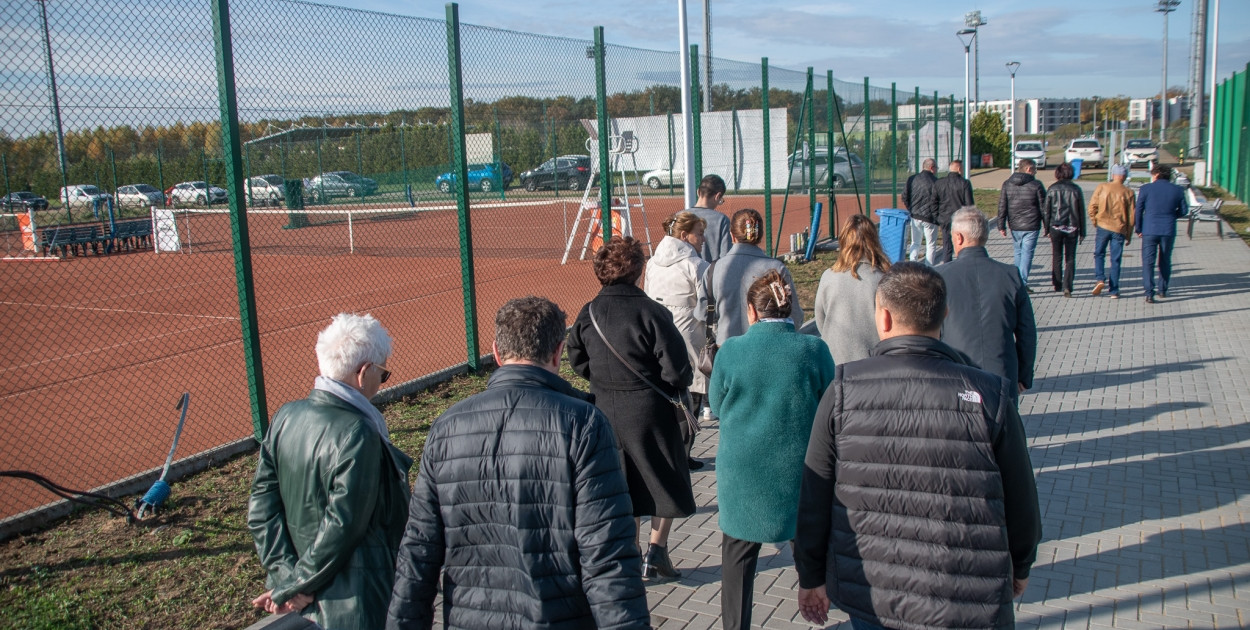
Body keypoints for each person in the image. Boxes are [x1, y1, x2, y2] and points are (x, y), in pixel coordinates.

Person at [794, 262, 1043, 630]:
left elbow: (814, 496)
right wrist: (1020, 564)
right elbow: (1021, 498)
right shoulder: (991, 394)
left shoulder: (844, 391)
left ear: (884, 317)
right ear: (944, 315)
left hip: (873, 593)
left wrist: (811, 575)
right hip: (965, 595)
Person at [386, 297, 649, 629]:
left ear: (496, 353)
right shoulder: (584, 424)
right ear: (558, 352)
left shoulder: (447, 427)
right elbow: (606, 555)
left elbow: (419, 551)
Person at [249, 313, 412, 630]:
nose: (382, 379)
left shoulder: (284, 418)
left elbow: (262, 507)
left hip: (314, 592)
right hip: (357, 597)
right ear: (363, 373)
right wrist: (297, 584)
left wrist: (287, 576)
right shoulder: (360, 432)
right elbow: (343, 524)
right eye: (383, 372)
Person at [710, 270, 836, 630]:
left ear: (751, 311)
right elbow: (829, 404)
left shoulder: (731, 351)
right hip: (799, 471)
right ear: (791, 308)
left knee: (737, 554)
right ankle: (818, 599)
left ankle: (736, 625)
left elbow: (717, 406)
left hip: (742, 472)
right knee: (807, 544)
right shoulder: (814, 349)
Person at [567, 236, 696, 580]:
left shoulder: (588, 312)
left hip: (604, 408)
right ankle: (656, 553)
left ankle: (630, 550)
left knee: (621, 480)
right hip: (649, 409)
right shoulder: (653, 312)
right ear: (639, 271)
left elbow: (577, 359)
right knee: (663, 475)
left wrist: (602, 380)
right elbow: (678, 370)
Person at [939, 207, 1037, 401]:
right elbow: (1027, 333)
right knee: (1004, 429)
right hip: (1002, 375)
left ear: (958, 237)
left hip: (955, 378)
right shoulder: (1011, 275)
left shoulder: (940, 277)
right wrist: (1023, 376)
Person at [645, 211, 710, 470]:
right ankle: (683, 452)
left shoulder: (652, 262)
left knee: (664, 389)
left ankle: (665, 451)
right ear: (684, 236)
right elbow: (707, 305)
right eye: (700, 233)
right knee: (692, 388)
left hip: (658, 330)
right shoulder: (695, 266)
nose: (704, 239)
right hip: (689, 333)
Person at [707, 208, 803, 345]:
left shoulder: (713, 269)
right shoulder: (777, 269)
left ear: (732, 235)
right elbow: (795, 316)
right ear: (760, 235)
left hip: (726, 349)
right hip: (767, 347)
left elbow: (705, 316)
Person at [813, 214, 891, 364]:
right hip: (873, 364)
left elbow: (820, 319)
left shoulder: (829, 276)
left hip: (834, 363)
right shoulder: (884, 279)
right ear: (874, 240)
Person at [1135, 163, 1187, 303]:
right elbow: (1183, 211)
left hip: (1149, 229)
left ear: (1156, 175)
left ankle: (1148, 292)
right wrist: (1171, 216)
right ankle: (1163, 289)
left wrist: (1139, 228)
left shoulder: (1146, 189)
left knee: (1148, 261)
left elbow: (1138, 210)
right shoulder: (1177, 190)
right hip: (1168, 229)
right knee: (1165, 260)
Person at [997, 158, 1047, 291]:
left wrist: (1001, 225)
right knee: (1027, 253)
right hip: (1032, 225)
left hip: (1014, 225)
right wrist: (1047, 226)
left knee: (1018, 252)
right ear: (1029, 169)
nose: (1036, 172)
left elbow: (1002, 205)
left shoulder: (1007, 184)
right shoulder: (1036, 185)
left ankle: (1017, 280)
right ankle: (1023, 282)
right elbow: (1044, 207)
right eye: (1035, 169)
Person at [1088, 163, 1137, 298]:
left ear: (1113, 175)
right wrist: (1129, 234)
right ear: (1125, 176)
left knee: (1099, 253)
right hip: (1119, 228)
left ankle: (1100, 279)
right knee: (1115, 259)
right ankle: (1114, 290)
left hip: (1103, 225)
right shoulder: (1129, 192)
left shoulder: (1102, 187)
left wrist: (1095, 221)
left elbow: (1092, 206)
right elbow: (1132, 216)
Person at [1042, 161, 1087, 297]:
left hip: (1055, 226)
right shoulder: (1076, 189)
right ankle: (1068, 285)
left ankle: (1057, 283)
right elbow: (1081, 211)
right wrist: (1082, 231)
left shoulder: (1052, 189)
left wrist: (1047, 229)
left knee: (1057, 255)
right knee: (1070, 257)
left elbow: (1046, 211)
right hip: (1072, 227)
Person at [933, 159, 975, 264]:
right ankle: (961, 266)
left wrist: (937, 218)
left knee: (947, 245)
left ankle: (947, 267)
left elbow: (933, 202)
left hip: (945, 219)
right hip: (961, 220)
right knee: (962, 244)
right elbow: (969, 204)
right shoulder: (964, 183)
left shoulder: (939, 183)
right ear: (959, 169)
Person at [685, 174, 733, 262]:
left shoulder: (679, 217)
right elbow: (725, 256)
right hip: (712, 273)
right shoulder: (721, 220)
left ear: (698, 192)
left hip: (683, 273)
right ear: (717, 196)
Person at [903, 158, 940, 264]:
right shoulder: (936, 182)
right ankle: (929, 268)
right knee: (931, 244)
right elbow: (937, 201)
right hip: (930, 218)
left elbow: (904, 196)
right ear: (932, 168)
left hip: (915, 216)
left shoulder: (912, 179)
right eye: (936, 168)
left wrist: (911, 208)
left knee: (915, 242)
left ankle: (912, 265)